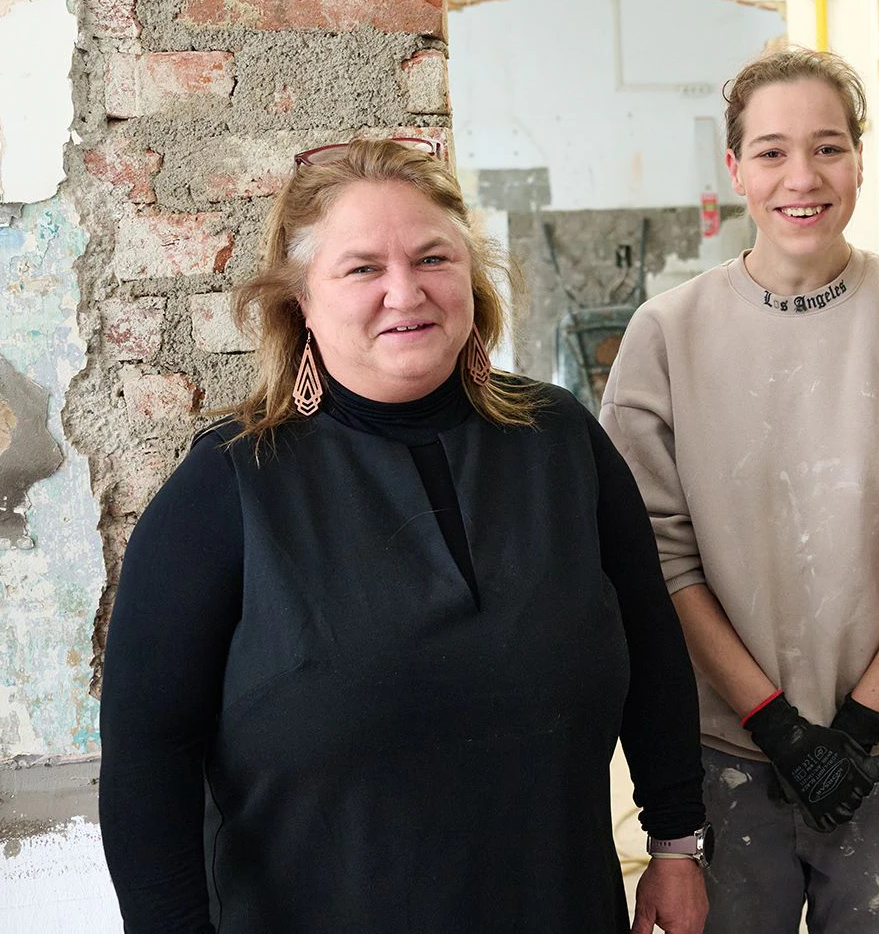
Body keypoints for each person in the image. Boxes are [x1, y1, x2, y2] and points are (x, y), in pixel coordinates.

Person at [97, 138, 709, 934]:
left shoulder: (561, 441)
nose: (405, 290)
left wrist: (675, 840)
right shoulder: (230, 484)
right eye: (361, 268)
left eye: (432, 257)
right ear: (302, 302)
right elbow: (148, 758)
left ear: (469, 275)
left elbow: (654, 652)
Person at [599, 47, 879, 934]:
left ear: (859, 158)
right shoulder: (666, 336)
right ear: (733, 168)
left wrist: (857, 724)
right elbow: (659, 553)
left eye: (828, 147)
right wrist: (773, 722)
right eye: (770, 151)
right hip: (726, 750)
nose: (800, 177)